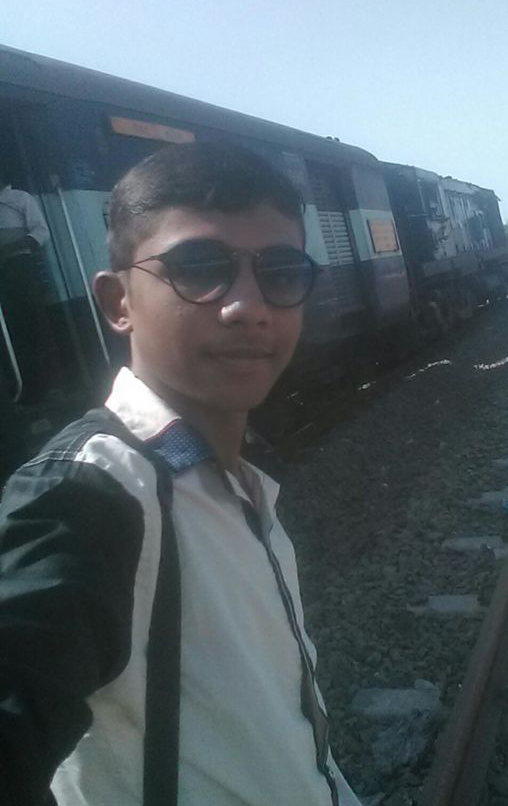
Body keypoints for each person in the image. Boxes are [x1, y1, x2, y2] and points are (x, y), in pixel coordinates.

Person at [0, 143, 361, 806]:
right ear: (118, 302)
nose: (248, 306)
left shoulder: (235, 478)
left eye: (281, 271)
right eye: (199, 267)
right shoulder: (90, 495)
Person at [0, 174, 58, 402]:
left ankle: (48, 384)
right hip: (3, 271)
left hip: (20, 267)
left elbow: (40, 232)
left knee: (34, 324)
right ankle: (24, 385)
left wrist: (11, 247)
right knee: (12, 330)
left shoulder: (20, 198)